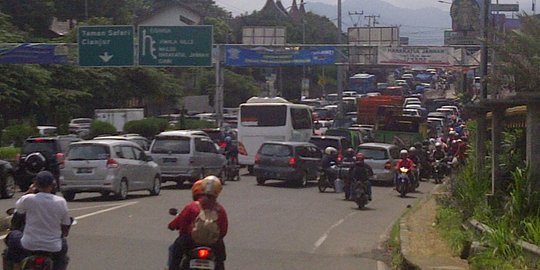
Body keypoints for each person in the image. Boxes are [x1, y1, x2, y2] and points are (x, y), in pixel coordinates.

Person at [4, 171, 71, 270]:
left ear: (36, 184)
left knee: (13, 236)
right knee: (63, 248)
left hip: (28, 244)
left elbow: (17, 214)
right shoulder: (61, 202)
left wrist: (29, 191)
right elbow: (65, 227)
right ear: (53, 185)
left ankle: (16, 266)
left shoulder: (28, 199)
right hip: (53, 247)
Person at [168, 176, 228, 270]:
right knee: (220, 260)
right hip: (213, 244)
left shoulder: (192, 206)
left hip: (190, 242)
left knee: (175, 252)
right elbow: (223, 231)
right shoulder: (220, 210)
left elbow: (182, 225)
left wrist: (172, 226)